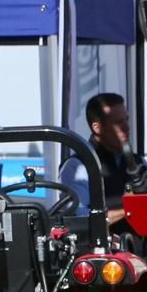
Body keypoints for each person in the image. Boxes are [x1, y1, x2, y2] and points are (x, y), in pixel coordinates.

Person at [58, 92, 131, 224]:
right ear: (97, 128)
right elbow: (76, 217)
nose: (126, 127)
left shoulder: (138, 163)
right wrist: (129, 210)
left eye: (126, 120)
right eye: (118, 122)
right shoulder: (78, 167)